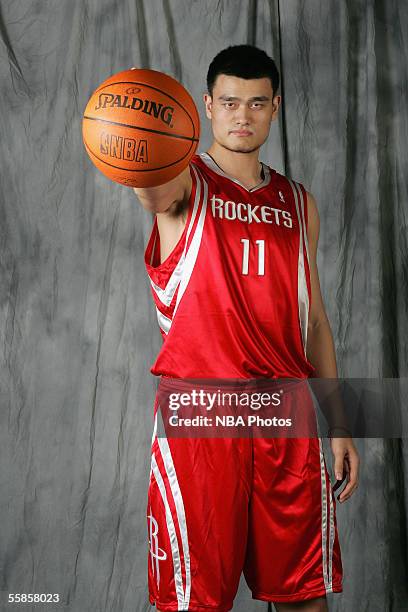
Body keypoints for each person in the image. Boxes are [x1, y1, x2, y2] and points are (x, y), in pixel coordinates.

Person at [133, 45, 359, 612]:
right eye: (229, 102)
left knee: (305, 595)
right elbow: (150, 187)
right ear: (207, 106)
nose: (242, 115)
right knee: (196, 603)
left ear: (275, 108)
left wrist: (340, 423)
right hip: (202, 416)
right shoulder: (182, 182)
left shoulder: (297, 202)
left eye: (256, 104)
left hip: (286, 414)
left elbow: (315, 320)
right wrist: (136, 145)